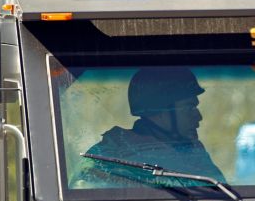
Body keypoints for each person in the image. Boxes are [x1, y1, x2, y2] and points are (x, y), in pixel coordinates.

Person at [73, 67, 225, 188]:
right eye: (189, 108)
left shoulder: (193, 151)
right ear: (160, 111)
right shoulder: (109, 154)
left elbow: (223, 196)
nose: (198, 117)